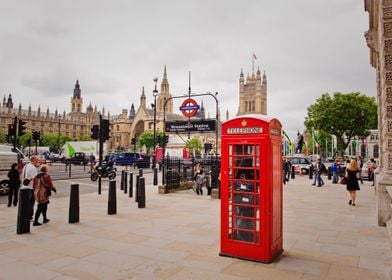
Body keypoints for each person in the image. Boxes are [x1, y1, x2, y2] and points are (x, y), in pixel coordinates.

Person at [21, 155, 39, 220]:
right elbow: (35, 179)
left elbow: (22, 175)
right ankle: (29, 217)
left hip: (24, 186)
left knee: (25, 202)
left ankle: (24, 215)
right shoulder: (33, 168)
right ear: (33, 160)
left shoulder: (26, 166)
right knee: (31, 203)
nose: (38, 161)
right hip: (31, 187)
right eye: (37, 160)